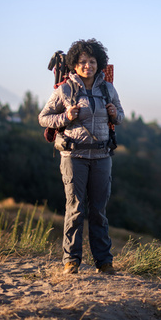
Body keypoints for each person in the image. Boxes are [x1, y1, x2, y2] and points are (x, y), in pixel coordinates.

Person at [39, 39, 124, 275]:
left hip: (101, 156)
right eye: (82, 62)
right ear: (74, 66)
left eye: (92, 61)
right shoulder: (64, 90)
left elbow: (121, 115)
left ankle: (104, 262)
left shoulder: (108, 89)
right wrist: (65, 117)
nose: (88, 65)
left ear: (99, 63)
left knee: (98, 211)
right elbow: (44, 118)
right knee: (75, 209)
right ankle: (71, 261)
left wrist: (115, 114)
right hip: (73, 156)